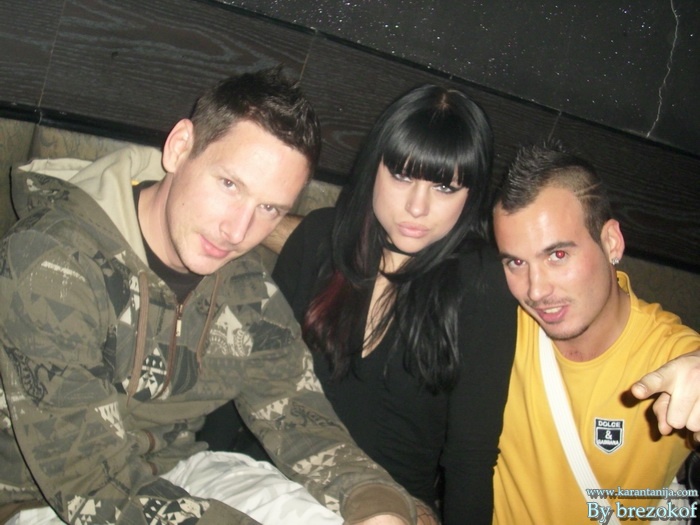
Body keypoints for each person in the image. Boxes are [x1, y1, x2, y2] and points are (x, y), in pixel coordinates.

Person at [0, 68, 420, 525]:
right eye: (229, 185)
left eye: (269, 208)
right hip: (43, 502)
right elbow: (89, 484)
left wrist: (377, 505)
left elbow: (300, 418)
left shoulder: (245, 289)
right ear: (180, 147)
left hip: (181, 474)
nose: (238, 231)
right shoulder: (50, 261)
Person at [199, 83, 519, 524]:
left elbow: (470, 456)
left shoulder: (481, 282)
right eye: (402, 176)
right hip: (265, 483)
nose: (417, 206)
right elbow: (239, 380)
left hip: (385, 508)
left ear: (471, 195)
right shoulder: (319, 239)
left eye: (445, 187)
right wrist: (196, 471)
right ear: (375, 166)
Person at [490, 140, 700, 525]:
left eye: (557, 255)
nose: (536, 290)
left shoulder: (670, 357)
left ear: (611, 242)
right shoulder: (497, 323)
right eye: (516, 263)